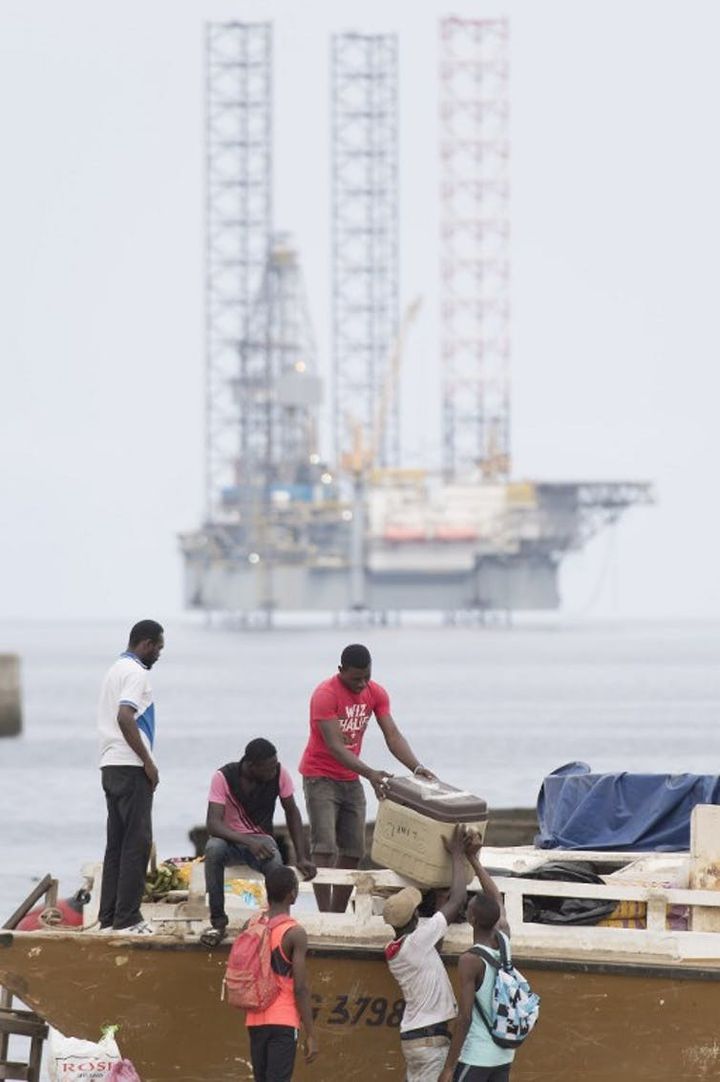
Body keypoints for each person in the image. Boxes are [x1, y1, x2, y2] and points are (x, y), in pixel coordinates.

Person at [299, 642, 434, 912]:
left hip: (352, 777)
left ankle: (337, 913)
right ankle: (324, 912)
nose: (362, 684)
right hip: (320, 776)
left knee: (354, 849)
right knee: (324, 845)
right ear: (341, 670)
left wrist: (416, 767)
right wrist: (371, 774)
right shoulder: (325, 695)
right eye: (355, 678)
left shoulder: (376, 693)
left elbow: (392, 736)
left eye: (366, 677)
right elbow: (335, 747)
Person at [201, 738, 316, 947]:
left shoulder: (280, 774)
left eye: (275, 764)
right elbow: (213, 825)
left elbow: (292, 812)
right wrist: (247, 841)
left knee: (276, 866)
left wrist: (302, 856)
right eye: (268, 767)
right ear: (251, 766)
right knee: (213, 848)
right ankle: (218, 923)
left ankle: (278, 926)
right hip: (230, 840)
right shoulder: (223, 777)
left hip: (262, 840)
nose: (274, 771)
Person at [382, 826, 470, 1082]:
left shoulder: (394, 950)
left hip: (413, 1038)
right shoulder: (417, 942)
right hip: (430, 1040)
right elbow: (459, 900)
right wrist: (456, 855)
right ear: (415, 917)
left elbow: (434, 948)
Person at [97, 619, 164, 934]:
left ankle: (109, 917)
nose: (159, 654)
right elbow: (126, 716)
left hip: (109, 765)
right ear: (146, 644)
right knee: (137, 842)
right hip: (131, 765)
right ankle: (128, 919)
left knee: (117, 844)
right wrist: (147, 761)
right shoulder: (138, 673)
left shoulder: (114, 669)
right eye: (159, 648)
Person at [438, 847, 514, 1082]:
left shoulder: (470, 960)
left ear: (471, 920)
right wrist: (473, 859)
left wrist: (449, 1067)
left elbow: (466, 1017)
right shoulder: (504, 938)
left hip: (477, 1056)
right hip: (504, 1054)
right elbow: (496, 896)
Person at [245, 865, 319, 1082]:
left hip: (255, 1019)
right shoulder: (295, 933)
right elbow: (300, 988)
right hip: (283, 1021)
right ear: (292, 896)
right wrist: (311, 1034)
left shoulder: (252, 925)